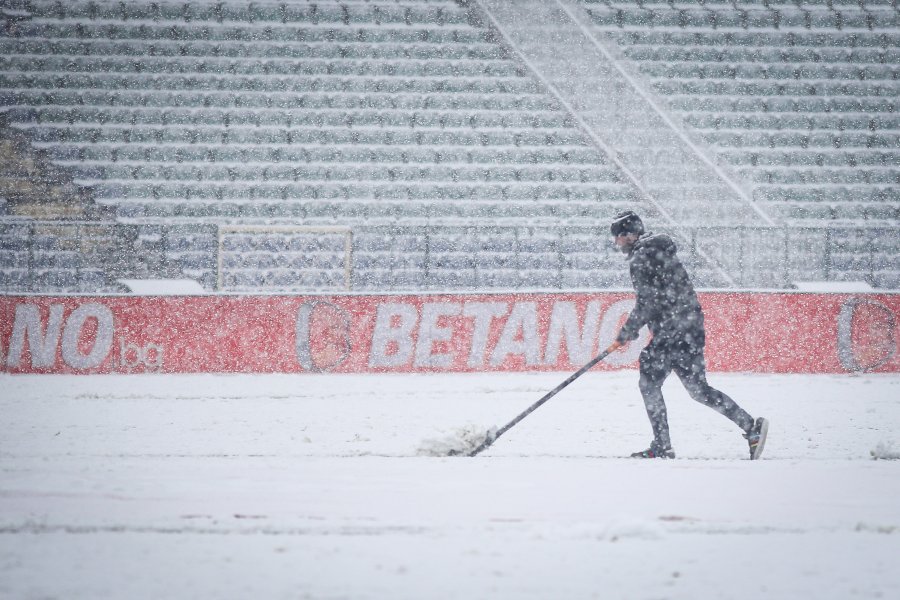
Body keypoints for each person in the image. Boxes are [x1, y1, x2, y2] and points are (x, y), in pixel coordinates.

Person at [604, 211, 768, 459]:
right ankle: (750, 426)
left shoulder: (641, 258)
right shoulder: (661, 252)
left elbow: (648, 301)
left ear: (628, 235)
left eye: (618, 237)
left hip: (671, 333)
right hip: (689, 329)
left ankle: (662, 445)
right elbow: (663, 297)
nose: (617, 243)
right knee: (698, 390)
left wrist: (627, 331)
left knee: (649, 384)